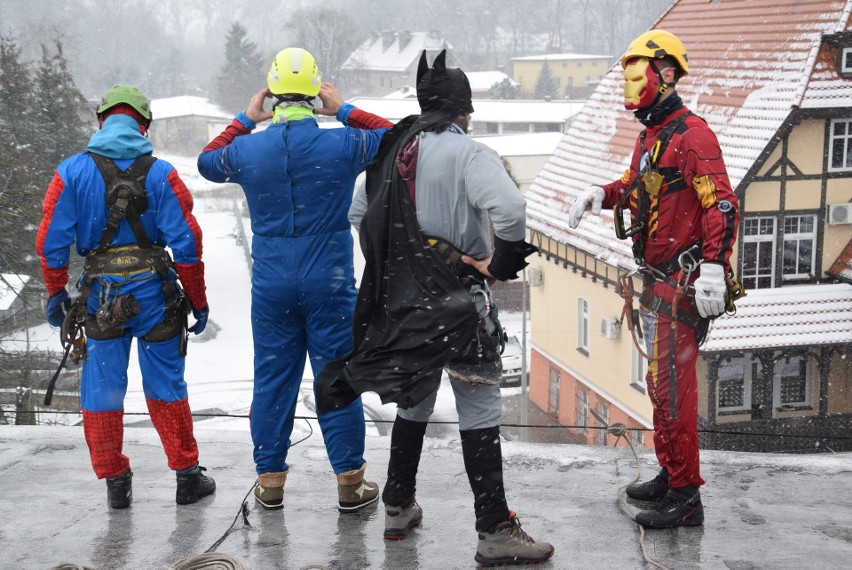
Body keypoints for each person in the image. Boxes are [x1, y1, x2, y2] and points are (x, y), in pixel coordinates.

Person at [331, 50, 554, 566]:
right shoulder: (469, 154)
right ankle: (494, 528)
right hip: (459, 304)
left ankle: (397, 505)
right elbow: (512, 209)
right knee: (477, 408)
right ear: (462, 110)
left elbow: (358, 214)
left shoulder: (390, 153)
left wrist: (403, 266)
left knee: (415, 401)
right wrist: (498, 264)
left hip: (404, 309)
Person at [197, 48, 391, 512]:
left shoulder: (246, 149)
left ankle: (270, 482)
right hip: (330, 278)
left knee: (273, 379)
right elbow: (394, 137)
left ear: (272, 92)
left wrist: (244, 119)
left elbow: (207, 161)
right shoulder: (341, 144)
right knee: (337, 376)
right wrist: (343, 109)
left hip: (272, 282)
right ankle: (349, 481)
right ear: (314, 93)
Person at [568, 29, 739, 529]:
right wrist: (601, 194)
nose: (629, 82)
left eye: (635, 72)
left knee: (674, 390)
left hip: (680, 283)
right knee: (660, 384)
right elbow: (636, 186)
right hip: (656, 281)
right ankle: (671, 472)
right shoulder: (651, 136)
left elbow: (720, 203)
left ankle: (687, 496)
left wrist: (713, 266)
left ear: (664, 73)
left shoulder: (692, 136)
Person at [36, 84, 215, 509]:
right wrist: (198, 298)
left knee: (102, 389)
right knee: (165, 384)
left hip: (101, 299)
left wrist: (55, 291)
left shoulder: (71, 172)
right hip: (156, 296)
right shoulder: (161, 173)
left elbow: (50, 243)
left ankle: (116, 483)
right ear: (143, 125)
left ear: (101, 121)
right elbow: (187, 244)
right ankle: (187, 477)